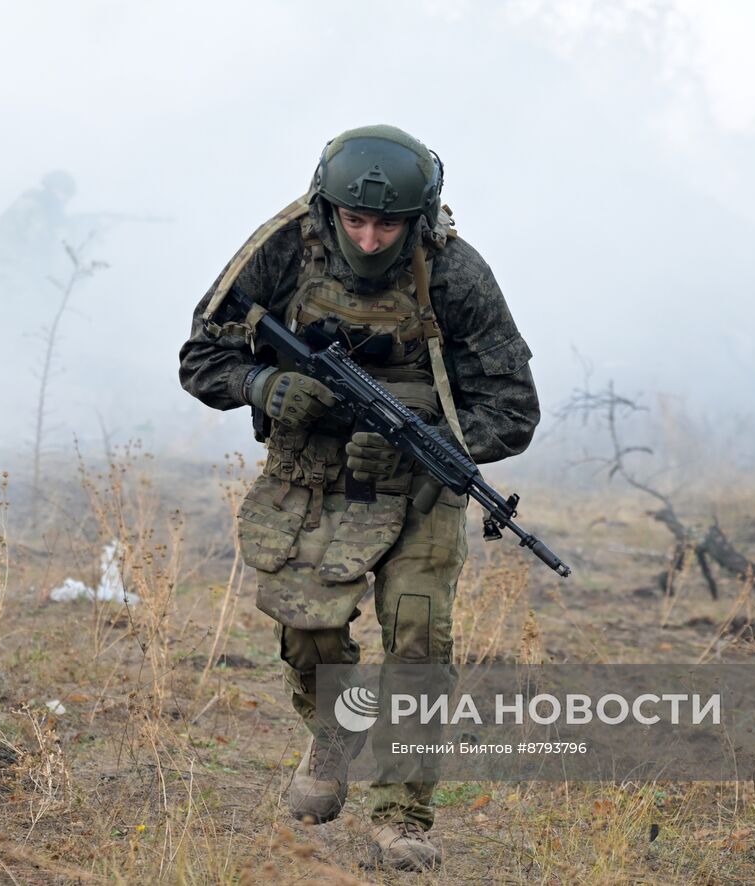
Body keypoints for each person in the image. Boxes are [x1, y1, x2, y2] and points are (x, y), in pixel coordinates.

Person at [178, 124, 539, 871]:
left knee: (418, 635)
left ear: (419, 216)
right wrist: (268, 385)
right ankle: (336, 734)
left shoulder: (458, 274)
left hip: (419, 479)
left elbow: (512, 408)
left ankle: (403, 814)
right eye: (355, 220)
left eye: (388, 225)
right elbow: (200, 355)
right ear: (328, 206)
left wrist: (434, 442)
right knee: (308, 633)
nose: (370, 239)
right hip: (312, 473)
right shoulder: (283, 248)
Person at [0, 170, 78, 301]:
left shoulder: (38, 208)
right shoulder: (33, 209)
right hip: (10, 276)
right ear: (52, 189)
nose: (65, 200)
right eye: (63, 194)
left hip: (9, 274)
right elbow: (40, 247)